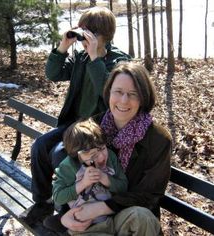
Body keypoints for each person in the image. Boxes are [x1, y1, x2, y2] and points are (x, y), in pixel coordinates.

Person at [19, 6, 131, 225]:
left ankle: (65, 211)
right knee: (40, 146)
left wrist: (96, 58)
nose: (83, 40)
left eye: (88, 33)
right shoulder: (80, 58)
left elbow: (108, 94)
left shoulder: (119, 61)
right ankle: (43, 202)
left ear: (103, 35)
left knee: (61, 154)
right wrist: (63, 46)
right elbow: (53, 74)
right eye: (82, 33)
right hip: (73, 123)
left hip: (96, 128)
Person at [54, 61, 172, 235]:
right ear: (109, 93)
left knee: (142, 216)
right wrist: (64, 216)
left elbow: (148, 195)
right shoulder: (93, 126)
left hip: (130, 217)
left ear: (143, 98)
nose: (124, 100)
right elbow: (67, 172)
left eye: (133, 94)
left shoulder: (158, 139)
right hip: (90, 222)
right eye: (118, 92)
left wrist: (102, 208)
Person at [51, 118, 127, 235]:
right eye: (93, 156)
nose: (101, 157)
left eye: (102, 148)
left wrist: (105, 178)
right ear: (78, 155)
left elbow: (123, 186)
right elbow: (58, 197)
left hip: (112, 219)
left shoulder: (110, 158)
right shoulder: (68, 167)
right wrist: (82, 184)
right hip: (85, 227)